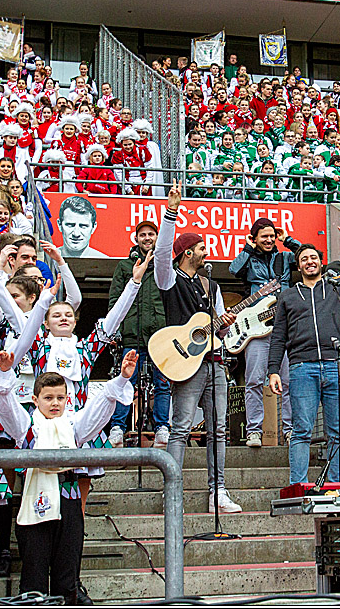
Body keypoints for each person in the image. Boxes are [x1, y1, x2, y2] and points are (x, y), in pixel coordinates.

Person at [0, 349, 137, 605]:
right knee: (33, 579)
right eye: (48, 398)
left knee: (67, 579)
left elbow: (98, 409)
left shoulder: (73, 425)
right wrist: (4, 373)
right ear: (35, 400)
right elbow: (6, 407)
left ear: (68, 399)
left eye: (60, 397)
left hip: (69, 503)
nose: (55, 403)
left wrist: (122, 378)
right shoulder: (27, 427)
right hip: (36, 504)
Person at [267, 214, 340, 485]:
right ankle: (298, 484)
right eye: (303, 259)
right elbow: (278, 335)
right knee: (301, 429)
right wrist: (273, 370)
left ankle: (337, 486)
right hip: (302, 368)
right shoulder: (288, 295)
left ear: (321, 261)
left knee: (338, 433)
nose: (309, 261)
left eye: (313, 257)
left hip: (338, 365)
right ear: (298, 266)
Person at [154, 181, 242, 514]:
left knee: (218, 428)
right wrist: (171, 213)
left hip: (214, 360)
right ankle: (171, 490)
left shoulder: (211, 283)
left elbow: (218, 322)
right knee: (180, 427)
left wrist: (226, 322)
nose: (207, 253)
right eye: (201, 248)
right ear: (188, 252)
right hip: (185, 363)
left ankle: (217, 491)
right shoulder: (169, 278)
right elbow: (162, 254)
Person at [228, 216, 301, 448]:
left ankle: (289, 431)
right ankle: (254, 432)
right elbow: (234, 269)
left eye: (272, 236)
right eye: (264, 236)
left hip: (284, 327)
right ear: (255, 238)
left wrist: (286, 239)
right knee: (253, 381)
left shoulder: (284, 257)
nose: (269, 240)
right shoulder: (248, 258)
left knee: (289, 382)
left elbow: (309, 256)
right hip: (257, 329)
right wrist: (248, 248)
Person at [107, 221, 168, 449]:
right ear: (136, 238)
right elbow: (115, 301)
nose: (147, 238)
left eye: (151, 234)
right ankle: (117, 428)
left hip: (160, 336)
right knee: (125, 383)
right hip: (132, 335)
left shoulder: (165, 267)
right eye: (142, 234)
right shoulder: (124, 266)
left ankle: (162, 427)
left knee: (163, 383)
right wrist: (116, 329)